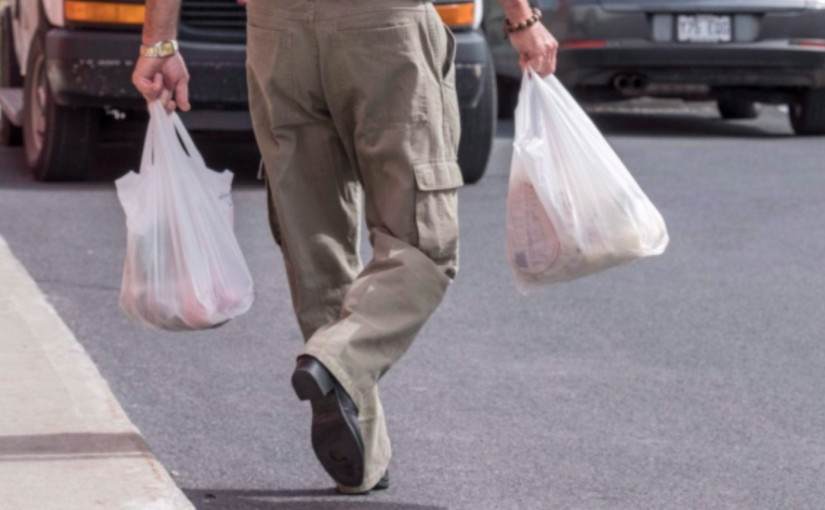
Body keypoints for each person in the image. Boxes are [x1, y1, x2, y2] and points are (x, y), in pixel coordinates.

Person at [132, 0, 557, 495]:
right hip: (382, 27)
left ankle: (364, 456)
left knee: (317, 242)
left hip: (277, 34)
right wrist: (523, 18)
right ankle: (337, 359)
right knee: (424, 242)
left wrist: (158, 43)